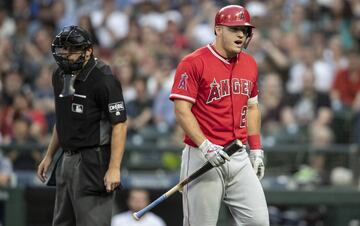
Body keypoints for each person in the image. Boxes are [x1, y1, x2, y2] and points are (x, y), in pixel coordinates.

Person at [169, 5, 269, 226]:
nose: (241, 35)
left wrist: (257, 149)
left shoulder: (250, 63)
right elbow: (181, 110)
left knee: (259, 222)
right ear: (218, 30)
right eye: (234, 29)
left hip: (239, 154)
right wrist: (205, 146)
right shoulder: (193, 62)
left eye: (244, 30)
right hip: (202, 156)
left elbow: (252, 107)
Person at [36, 26, 127, 226]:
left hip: (93, 160)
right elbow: (63, 119)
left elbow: (119, 125)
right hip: (66, 160)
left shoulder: (104, 79)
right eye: (63, 49)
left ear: (88, 51)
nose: (66, 55)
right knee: (61, 222)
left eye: (72, 49)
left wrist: (114, 168)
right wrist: (50, 155)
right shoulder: (59, 75)